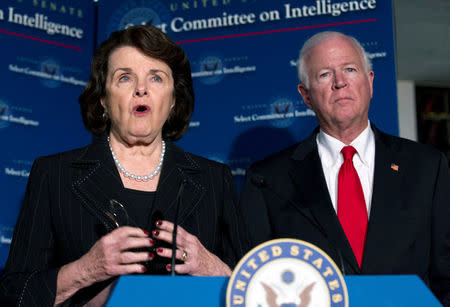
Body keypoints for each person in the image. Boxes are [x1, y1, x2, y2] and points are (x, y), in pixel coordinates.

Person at [0, 25, 246, 306]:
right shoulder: (54, 175)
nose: (141, 89)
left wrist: (211, 267)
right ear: (103, 98)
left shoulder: (214, 180)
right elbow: (12, 294)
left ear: (174, 101)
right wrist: (85, 270)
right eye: (125, 78)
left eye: (156, 78)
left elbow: (255, 289)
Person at [239, 31, 450, 306]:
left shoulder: (427, 166)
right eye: (325, 74)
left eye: (350, 69)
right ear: (306, 95)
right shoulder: (266, 180)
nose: (340, 83)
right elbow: (257, 281)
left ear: (370, 82)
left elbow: (446, 274)